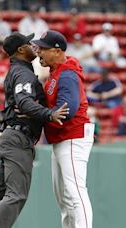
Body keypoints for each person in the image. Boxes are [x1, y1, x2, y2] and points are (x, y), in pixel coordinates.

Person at [0, 32, 69, 228]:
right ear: (21, 50)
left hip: (11, 136)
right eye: (29, 44)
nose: (33, 46)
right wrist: (49, 114)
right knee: (16, 195)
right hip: (18, 139)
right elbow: (23, 102)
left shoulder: (18, 71)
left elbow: (21, 103)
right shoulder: (23, 73)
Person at [33, 30, 94, 228]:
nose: (39, 51)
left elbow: (67, 110)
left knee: (76, 193)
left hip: (73, 137)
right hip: (61, 139)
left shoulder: (67, 74)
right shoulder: (55, 73)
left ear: (57, 51)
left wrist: (39, 114)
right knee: (64, 199)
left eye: (43, 48)